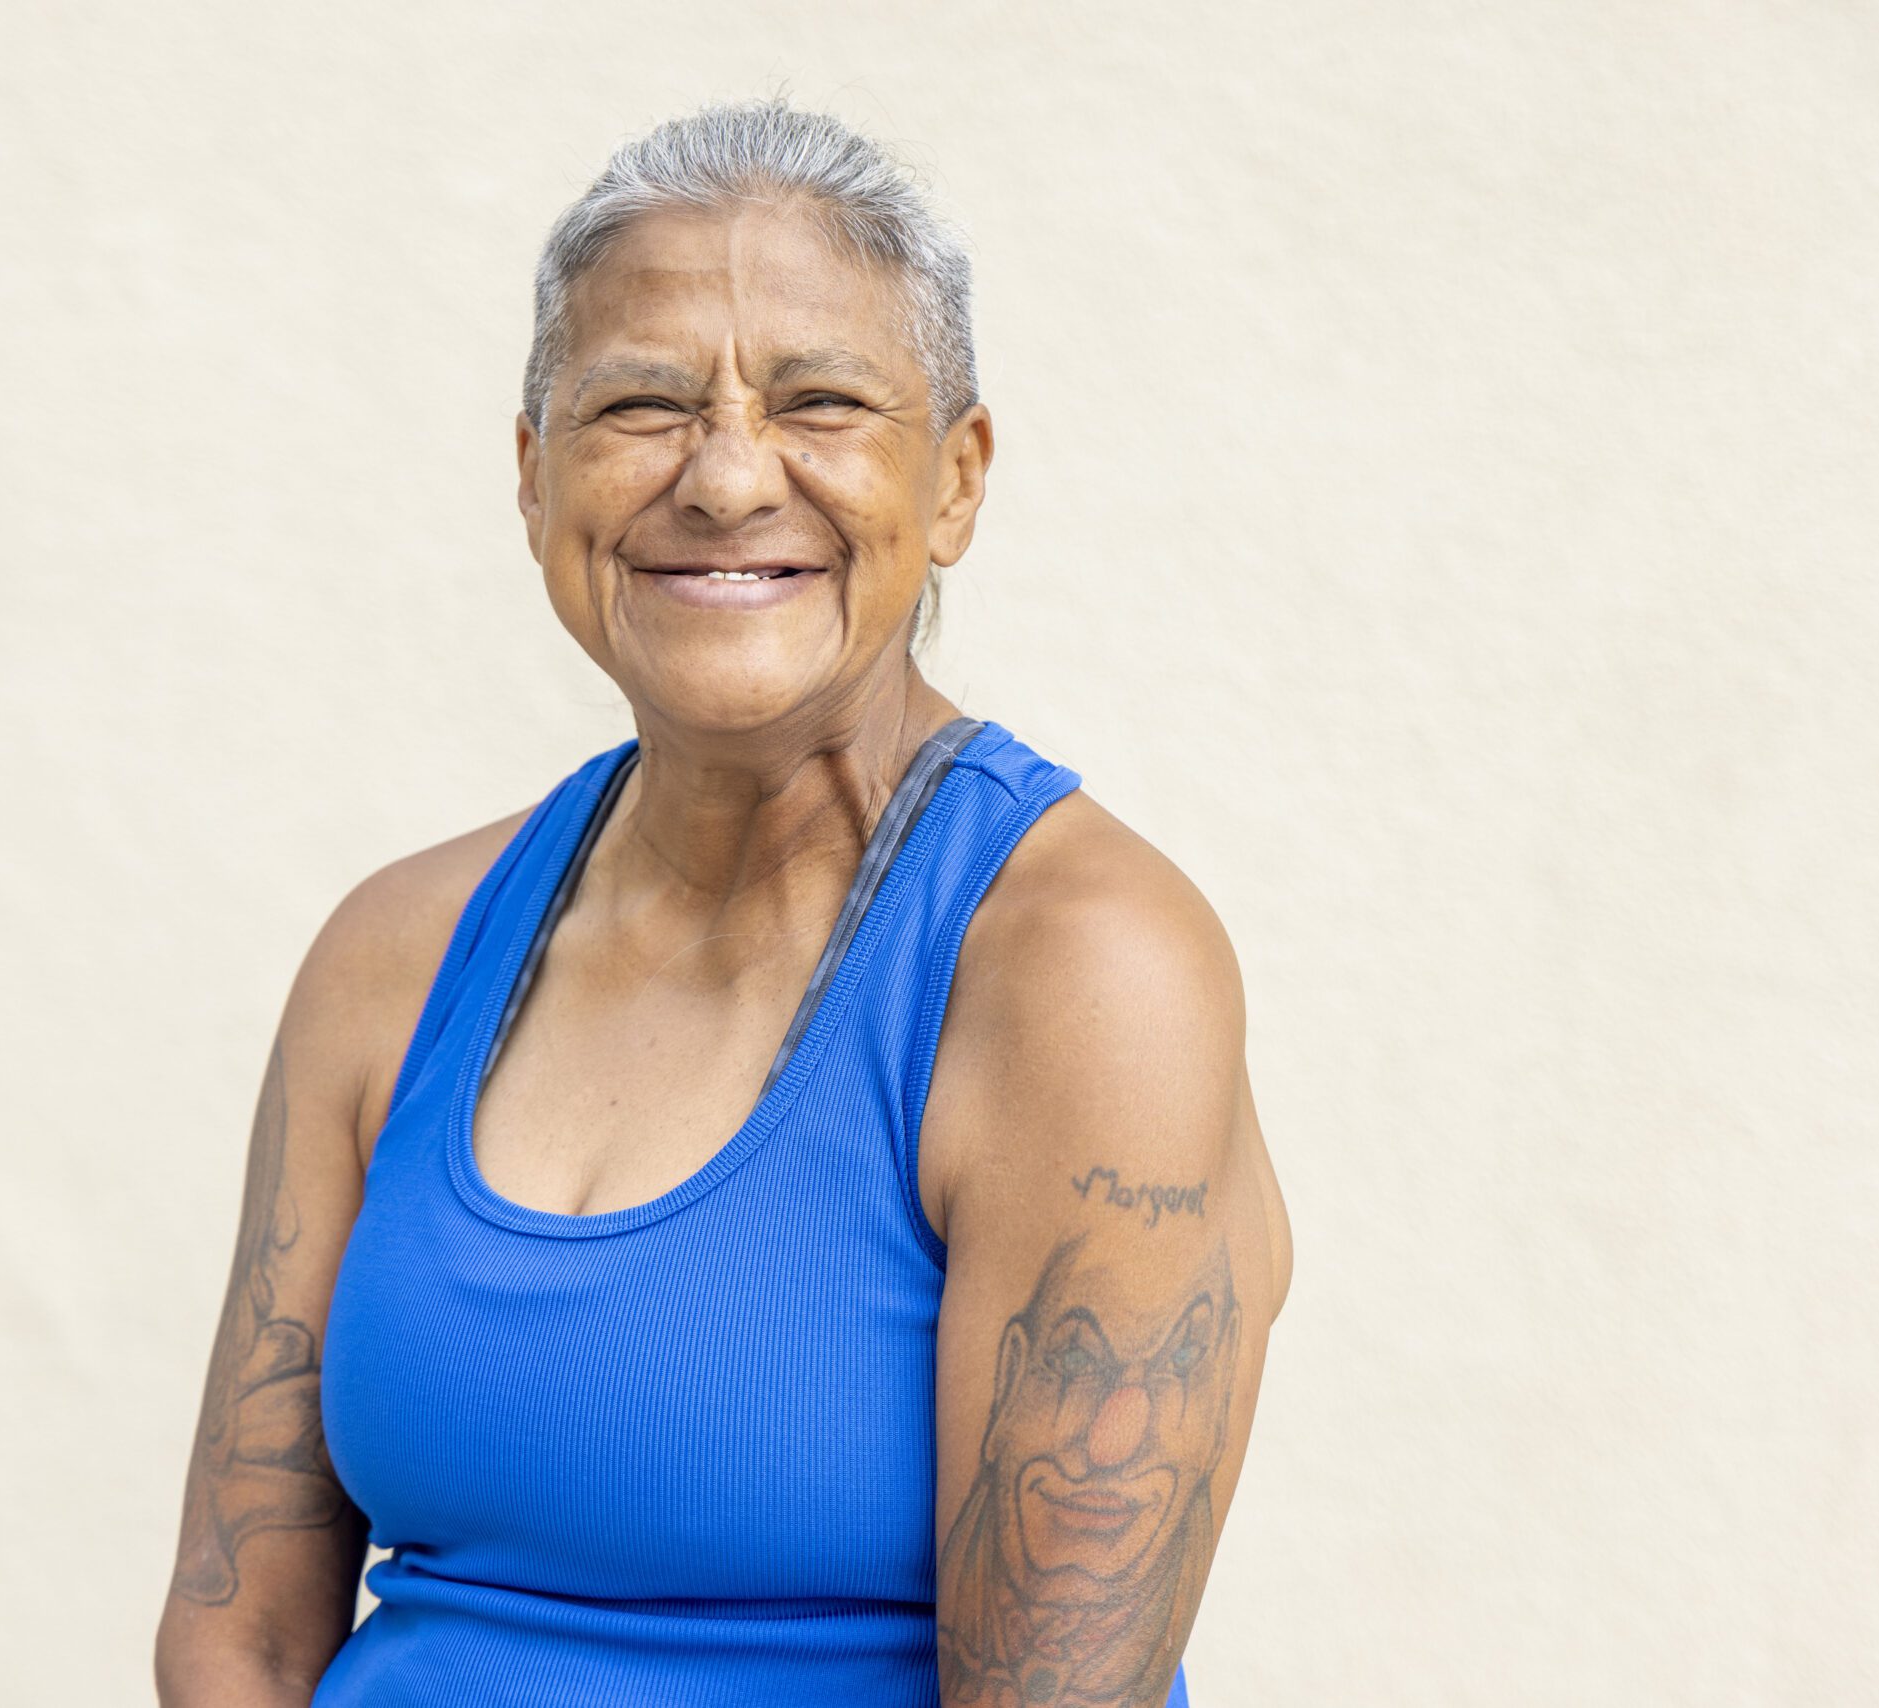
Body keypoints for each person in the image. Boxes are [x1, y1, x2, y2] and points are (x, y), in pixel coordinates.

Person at [152, 95, 1293, 1708]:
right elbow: (239, 1632)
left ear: (957, 480)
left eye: (822, 401)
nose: (729, 476)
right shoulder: (396, 953)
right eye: (641, 406)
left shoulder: (1081, 972)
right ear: (538, 476)